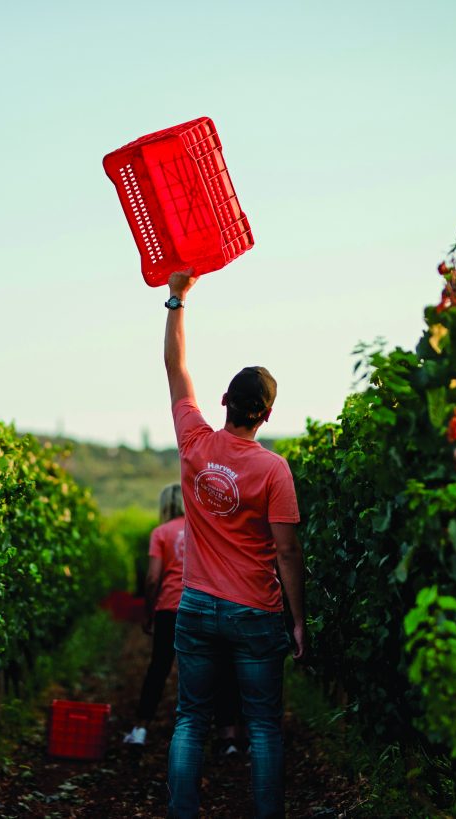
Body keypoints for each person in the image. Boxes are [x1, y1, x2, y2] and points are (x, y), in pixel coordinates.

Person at [161, 271, 307, 819]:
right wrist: (298, 619)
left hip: (196, 604)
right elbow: (288, 553)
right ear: (267, 414)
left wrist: (177, 299)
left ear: (223, 401)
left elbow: (176, 369)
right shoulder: (274, 470)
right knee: (264, 724)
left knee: (190, 719)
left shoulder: (194, 441)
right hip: (255, 610)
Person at [123, 483, 186, 746]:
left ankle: (141, 729)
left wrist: (149, 612)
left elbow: (152, 578)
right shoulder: (203, 529)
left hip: (169, 608)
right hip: (199, 606)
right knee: (204, 669)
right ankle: (220, 735)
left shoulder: (161, 532)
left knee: (159, 667)